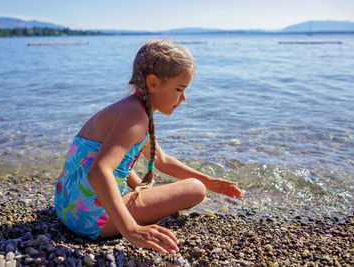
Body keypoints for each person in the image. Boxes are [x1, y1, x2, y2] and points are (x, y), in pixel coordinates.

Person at [54, 39, 243, 255]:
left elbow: (160, 160)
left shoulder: (129, 108)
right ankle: (125, 219)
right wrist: (131, 229)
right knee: (195, 189)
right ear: (153, 83)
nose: (184, 98)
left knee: (198, 185)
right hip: (90, 220)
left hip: (66, 208)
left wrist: (209, 181)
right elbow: (99, 172)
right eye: (179, 89)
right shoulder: (136, 118)